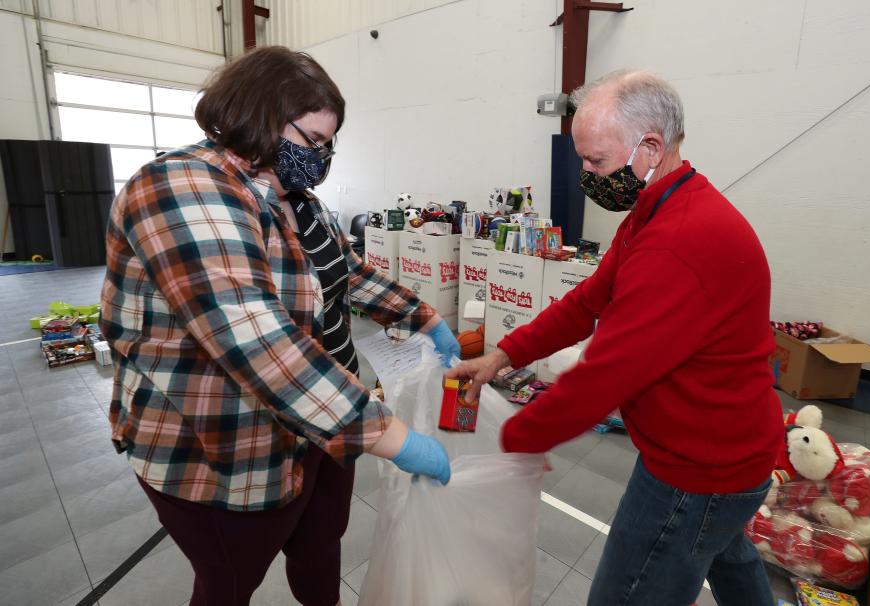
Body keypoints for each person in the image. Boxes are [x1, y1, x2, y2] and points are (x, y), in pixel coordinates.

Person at [100, 46, 458, 606]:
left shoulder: (298, 201)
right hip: (225, 448)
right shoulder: (182, 188)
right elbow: (255, 342)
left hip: (320, 426)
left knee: (320, 549)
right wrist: (392, 438)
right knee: (230, 579)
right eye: (313, 141)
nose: (322, 156)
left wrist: (426, 317)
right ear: (263, 116)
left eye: (329, 144)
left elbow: (346, 271)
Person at [448, 70, 783, 606]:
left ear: (649, 147)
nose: (585, 174)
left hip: (696, 472)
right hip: (730, 455)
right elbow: (587, 303)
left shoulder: (678, 241)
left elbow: (604, 376)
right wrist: (504, 354)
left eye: (596, 161)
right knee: (726, 556)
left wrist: (512, 445)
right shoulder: (655, 210)